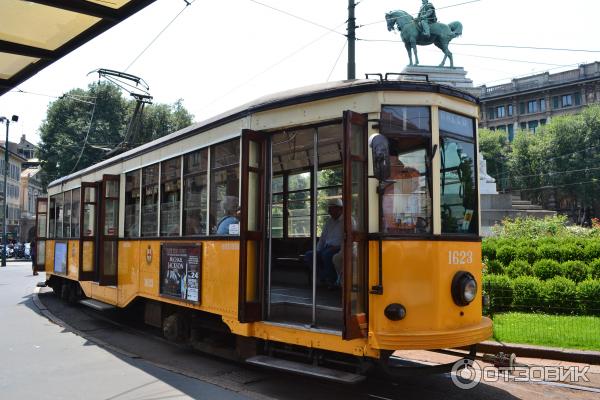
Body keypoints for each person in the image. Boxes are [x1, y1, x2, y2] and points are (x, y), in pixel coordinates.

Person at [305, 198, 344, 288]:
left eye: (331, 208)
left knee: (326, 255)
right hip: (326, 248)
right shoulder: (329, 222)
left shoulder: (347, 220)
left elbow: (349, 238)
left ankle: (332, 280)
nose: (329, 211)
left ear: (339, 209)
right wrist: (317, 250)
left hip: (339, 249)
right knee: (310, 255)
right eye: (329, 208)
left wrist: (339, 247)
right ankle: (324, 277)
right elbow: (322, 238)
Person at [382, 154, 422, 233]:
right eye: (414, 182)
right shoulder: (390, 197)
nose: (417, 185)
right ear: (404, 179)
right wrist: (409, 225)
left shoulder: (413, 198)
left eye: (417, 183)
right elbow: (392, 225)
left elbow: (415, 221)